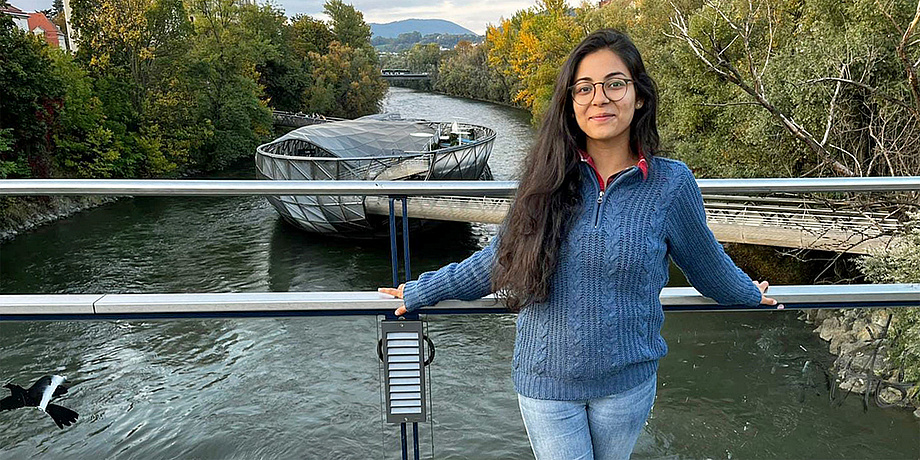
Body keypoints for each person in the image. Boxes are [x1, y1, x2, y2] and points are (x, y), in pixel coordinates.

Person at [378, 29, 780, 460]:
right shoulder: (544, 179)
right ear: (571, 104)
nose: (599, 98)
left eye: (614, 84)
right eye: (584, 88)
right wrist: (425, 289)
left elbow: (706, 264)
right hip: (546, 383)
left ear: (639, 96)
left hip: (625, 386)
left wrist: (746, 293)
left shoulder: (671, 184)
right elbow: (499, 261)